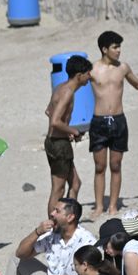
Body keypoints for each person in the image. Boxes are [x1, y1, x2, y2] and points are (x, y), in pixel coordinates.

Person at [88, 30, 138, 217]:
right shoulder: (92, 69)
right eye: (115, 47)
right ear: (104, 49)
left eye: (119, 46)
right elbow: (75, 83)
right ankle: (99, 206)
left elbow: (137, 84)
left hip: (119, 121)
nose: (119, 50)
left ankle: (113, 206)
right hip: (99, 122)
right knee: (99, 166)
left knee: (116, 165)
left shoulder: (123, 68)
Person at [4, 197, 96, 275]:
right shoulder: (53, 234)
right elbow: (20, 253)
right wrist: (37, 232)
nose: (52, 214)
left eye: (57, 211)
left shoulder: (87, 242)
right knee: (17, 258)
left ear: (70, 217)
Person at [44, 55, 91, 216]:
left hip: (58, 140)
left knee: (75, 184)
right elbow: (55, 121)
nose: (89, 77)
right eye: (87, 74)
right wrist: (74, 131)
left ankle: (70, 220)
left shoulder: (61, 87)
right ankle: (52, 226)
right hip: (58, 144)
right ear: (79, 75)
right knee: (58, 189)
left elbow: (48, 111)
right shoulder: (67, 92)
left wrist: (66, 131)